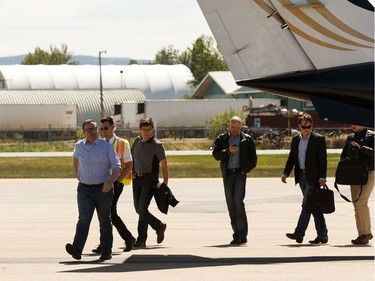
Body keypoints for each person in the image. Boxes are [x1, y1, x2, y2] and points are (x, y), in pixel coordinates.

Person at [65, 119, 122, 261]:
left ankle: (106, 250)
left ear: (97, 130)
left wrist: (110, 182)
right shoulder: (79, 146)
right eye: (88, 130)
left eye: (93, 129)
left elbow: (117, 167)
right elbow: (75, 159)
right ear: (83, 132)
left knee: (104, 220)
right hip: (84, 189)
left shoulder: (106, 146)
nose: (91, 132)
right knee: (83, 219)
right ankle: (77, 249)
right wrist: (78, 176)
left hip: (103, 188)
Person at [281, 113, 328, 244]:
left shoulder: (318, 139)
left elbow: (323, 160)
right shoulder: (296, 139)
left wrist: (322, 177)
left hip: (313, 178)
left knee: (307, 204)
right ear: (299, 126)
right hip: (301, 176)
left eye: (309, 127)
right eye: (304, 127)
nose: (307, 129)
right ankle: (323, 235)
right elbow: (292, 158)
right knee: (314, 206)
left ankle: (299, 233)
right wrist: (285, 173)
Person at [92, 116, 136, 254]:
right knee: (104, 213)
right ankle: (108, 242)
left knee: (110, 212)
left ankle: (127, 238)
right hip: (102, 182)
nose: (103, 131)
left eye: (106, 128)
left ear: (113, 128)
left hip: (116, 183)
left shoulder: (122, 144)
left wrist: (118, 181)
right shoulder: (98, 144)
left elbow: (129, 165)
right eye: (101, 129)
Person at [212, 116, 257, 245]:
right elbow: (216, 155)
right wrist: (227, 151)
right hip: (227, 175)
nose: (235, 130)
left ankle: (243, 234)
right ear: (229, 126)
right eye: (233, 127)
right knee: (231, 205)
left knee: (238, 202)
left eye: (237, 128)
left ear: (241, 127)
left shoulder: (247, 140)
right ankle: (236, 234)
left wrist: (245, 170)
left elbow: (253, 159)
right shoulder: (222, 139)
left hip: (240, 174)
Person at [131, 117, 169, 248]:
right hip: (136, 179)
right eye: (144, 129)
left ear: (152, 129)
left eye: (149, 129)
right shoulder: (136, 141)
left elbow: (164, 165)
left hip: (150, 180)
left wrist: (165, 184)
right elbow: (131, 159)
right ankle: (159, 226)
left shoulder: (157, 145)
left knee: (142, 208)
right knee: (138, 209)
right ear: (140, 130)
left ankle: (141, 239)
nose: (146, 132)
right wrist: (131, 173)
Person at [340, 125, 374, 244]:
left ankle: (366, 233)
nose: (352, 125)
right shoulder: (350, 137)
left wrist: (360, 148)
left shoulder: (372, 135)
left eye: (355, 122)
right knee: (356, 204)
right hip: (354, 173)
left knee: (361, 201)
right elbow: (343, 156)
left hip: (369, 173)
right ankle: (361, 235)